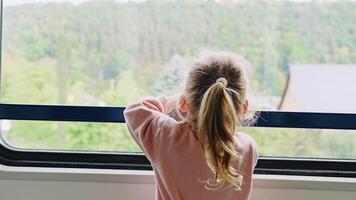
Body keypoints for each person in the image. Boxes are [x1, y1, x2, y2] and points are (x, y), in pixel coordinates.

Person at [124, 51, 258, 200]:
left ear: (184, 102)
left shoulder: (166, 136)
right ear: (244, 108)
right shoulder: (247, 148)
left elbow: (135, 110)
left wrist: (177, 100)